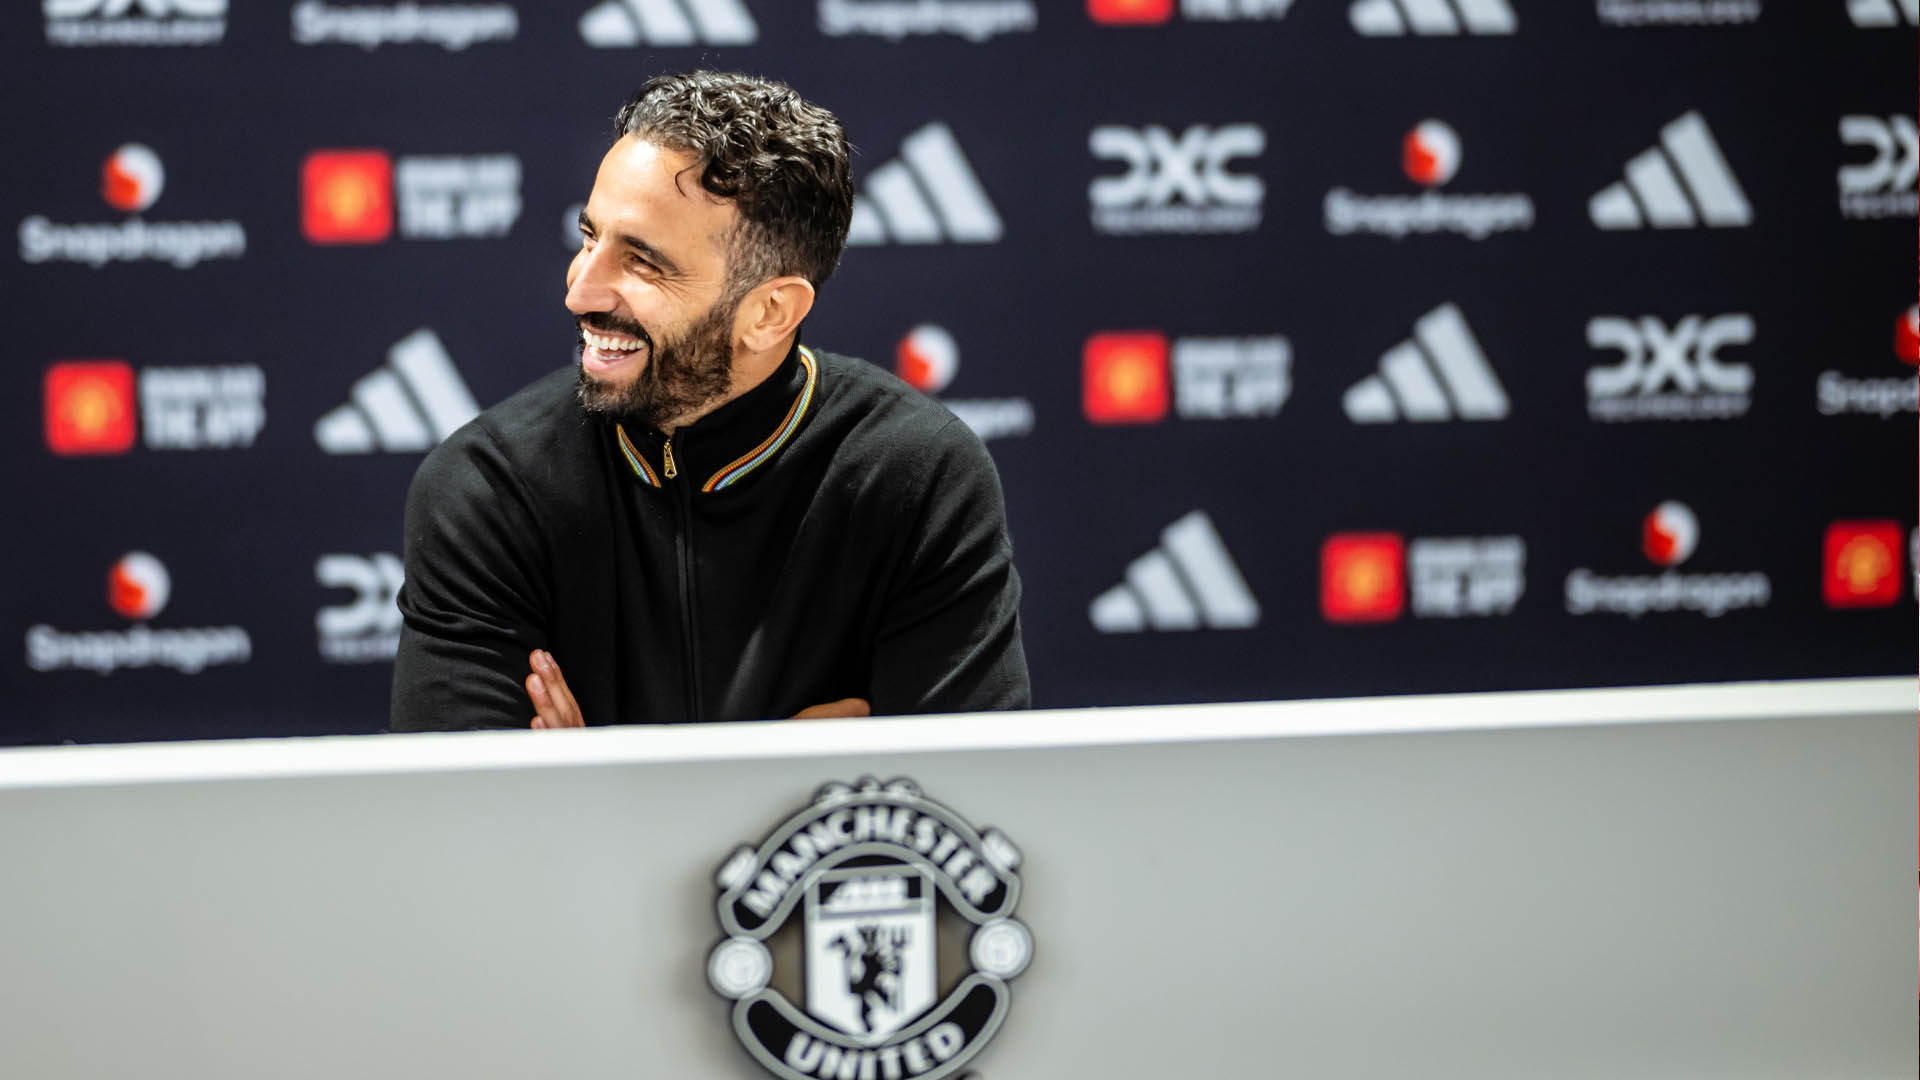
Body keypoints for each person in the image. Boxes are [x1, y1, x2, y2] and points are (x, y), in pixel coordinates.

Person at [387, 71, 1029, 731]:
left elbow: (955, 813)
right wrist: (793, 780)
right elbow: (467, 823)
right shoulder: (488, 489)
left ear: (770, 313)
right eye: (588, 238)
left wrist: (589, 786)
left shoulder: (918, 476)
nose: (581, 290)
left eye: (641, 262)